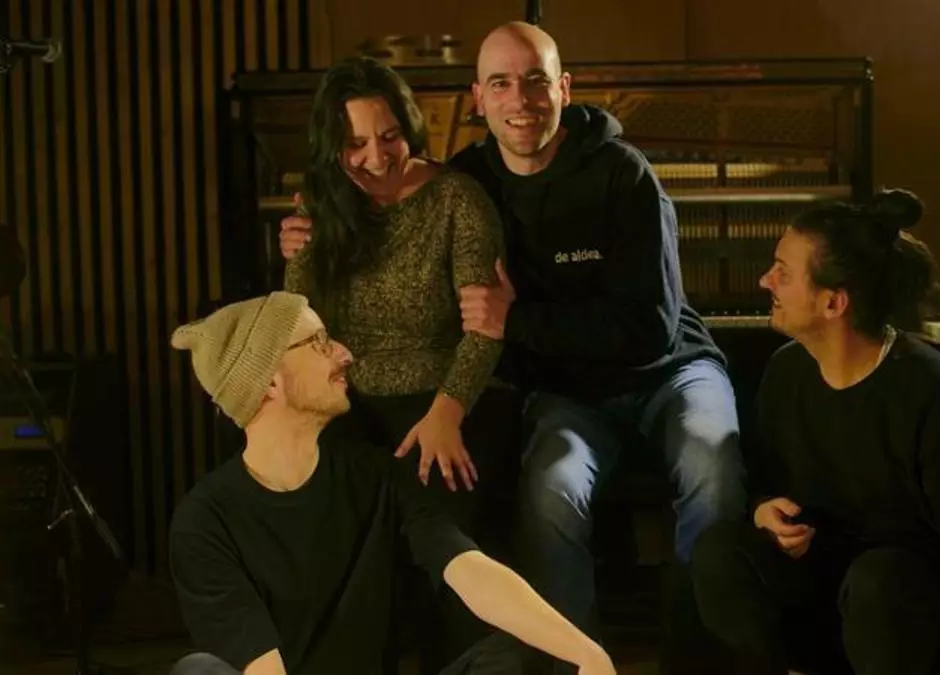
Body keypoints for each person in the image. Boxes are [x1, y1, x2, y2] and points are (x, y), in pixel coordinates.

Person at [282, 24, 746, 671]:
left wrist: (514, 324)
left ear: (564, 89)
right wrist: (306, 234)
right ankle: (572, 666)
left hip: (671, 371)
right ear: (478, 98)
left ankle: (701, 663)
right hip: (567, 388)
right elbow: (390, 218)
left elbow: (651, 329)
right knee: (551, 493)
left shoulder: (621, 173)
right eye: (500, 83)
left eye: (535, 82)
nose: (519, 101)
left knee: (712, 473)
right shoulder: (470, 177)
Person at [689, 190, 940, 675]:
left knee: (880, 580)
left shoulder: (933, 393)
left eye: (783, 272)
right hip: (830, 600)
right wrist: (765, 511)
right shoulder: (787, 372)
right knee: (720, 553)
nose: (765, 280)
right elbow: (767, 481)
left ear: (833, 302)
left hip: (907, 616)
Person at [166, 292, 616, 675]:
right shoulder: (205, 522)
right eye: (318, 342)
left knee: (517, 651)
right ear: (268, 382)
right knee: (200, 671)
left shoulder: (376, 474)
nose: (344, 353)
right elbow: (262, 668)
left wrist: (586, 654)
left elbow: (468, 568)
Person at [279, 56, 521, 668]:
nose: (376, 157)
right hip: (348, 397)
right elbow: (299, 322)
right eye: (355, 144)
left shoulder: (458, 199)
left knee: (433, 501)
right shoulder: (322, 201)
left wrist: (446, 412)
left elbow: (485, 330)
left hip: (443, 390)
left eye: (388, 136)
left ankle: (466, 663)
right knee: (325, 501)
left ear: (409, 126)